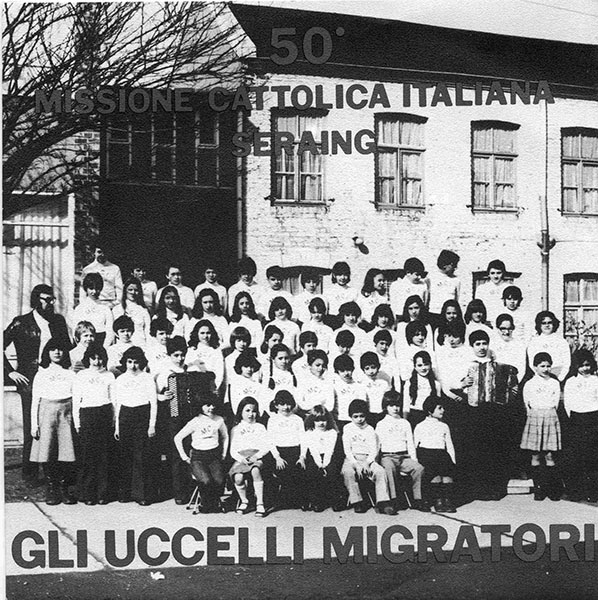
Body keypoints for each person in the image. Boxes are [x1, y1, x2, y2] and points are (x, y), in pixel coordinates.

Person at [4, 284, 71, 484]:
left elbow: (66, 349)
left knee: (56, 426)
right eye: (46, 299)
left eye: (52, 299)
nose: (50, 303)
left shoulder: (58, 321)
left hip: (53, 378)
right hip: (30, 381)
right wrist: (10, 371)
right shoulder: (21, 322)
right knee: (32, 427)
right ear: (36, 300)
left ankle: (56, 473)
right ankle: (30, 473)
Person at [460, 330, 519, 501]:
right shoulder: (467, 364)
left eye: (484, 343)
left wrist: (509, 394)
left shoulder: (498, 365)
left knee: (493, 449)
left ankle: (494, 488)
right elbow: (456, 385)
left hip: (494, 411)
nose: (481, 347)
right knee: (476, 450)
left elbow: (512, 385)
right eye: (477, 344)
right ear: (472, 346)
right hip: (474, 410)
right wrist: (462, 384)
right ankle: (477, 489)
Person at [30, 338, 77, 505]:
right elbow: (35, 400)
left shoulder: (70, 374)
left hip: (66, 413)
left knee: (66, 451)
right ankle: (51, 488)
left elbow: (76, 398)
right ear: (47, 352)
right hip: (47, 414)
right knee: (47, 451)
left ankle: (64, 488)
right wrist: (34, 424)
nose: (57, 352)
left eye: (60, 349)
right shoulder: (41, 374)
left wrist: (76, 421)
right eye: (53, 349)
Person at [113, 347, 158, 506]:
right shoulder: (120, 380)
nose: (133, 366)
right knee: (125, 455)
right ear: (125, 362)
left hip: (142, 415)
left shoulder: (147, 378)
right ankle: (125, 492)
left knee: (141, 456)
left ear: (142, 362)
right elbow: (117, 404)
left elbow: (153, 403)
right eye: (129, 362)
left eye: (136, 362)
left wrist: (152, 425)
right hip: (125, 416)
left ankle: (142, 494)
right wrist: (117, 427)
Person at [72, 343, 115, 505]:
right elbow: (76, 401)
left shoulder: (109, 375)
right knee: (88, 456)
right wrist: (77, 423)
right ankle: (87, 493)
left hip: (104, 414)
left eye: (100, 358)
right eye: (93, 358)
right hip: (87, 415)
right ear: (88, 359)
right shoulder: (81, 375)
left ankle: (103, 493)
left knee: (104, 455)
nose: (97, 362)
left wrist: (114, 421)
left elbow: (114, 400)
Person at [174, 394, 229, 513]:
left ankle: (214, 502)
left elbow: (225, 436)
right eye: (207, 405)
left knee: (219, 480)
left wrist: (224, 454)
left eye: (213, 404)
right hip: (198, 458)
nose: (211, 407)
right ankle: (205, 504)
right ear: (200, 406)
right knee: (206, 481)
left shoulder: (219, 420)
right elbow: (177, 438)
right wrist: (184, 457)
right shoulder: (195, 421)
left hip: (214, 456)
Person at [376, 390, 428, 512]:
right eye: (391, 405)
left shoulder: (405, 423)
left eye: (397, 405)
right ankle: (393, 500)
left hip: (404, 457)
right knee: (389, 469)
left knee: (419, 468)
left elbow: (410, 443)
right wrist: (376, 461)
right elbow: (377, 445)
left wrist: (414, 459)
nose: (395, 408)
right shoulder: (381, 424)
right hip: (388, 456)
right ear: (385, 407)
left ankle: (417, 499)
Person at [520, 352, 562, 501]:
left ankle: (551, 489)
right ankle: (539, 488)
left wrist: (548, 413)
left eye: (548, 366)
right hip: (535, 417)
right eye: (542, 366)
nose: (545, 369)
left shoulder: (554, 383)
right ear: (535, 367)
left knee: (550, 455)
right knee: (535, 454)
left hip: (550, 415)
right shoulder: (530, 384)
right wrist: (535, 415)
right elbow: (527, 404)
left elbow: (556, 403)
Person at [341, 399, 393, 514]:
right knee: (348, 472)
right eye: (355, 416)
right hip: (352, 458)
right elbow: (347, 450)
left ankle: (383, 502)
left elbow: (374, 450)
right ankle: (357, 501)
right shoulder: (347, 428)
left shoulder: (370, 429)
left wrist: (367, 463)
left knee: (380, 471)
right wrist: (355, 464)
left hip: (367, 459)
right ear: (350, 416)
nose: (359, 419)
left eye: (362, 416)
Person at [563, 349, 598, 503]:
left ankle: (592, 491)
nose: (585, 368)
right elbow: (568, 402)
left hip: (593, 419)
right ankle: (575, 491)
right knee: (576, 457)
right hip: (577, 420)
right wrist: (574, 418)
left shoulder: (596, 380)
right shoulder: (571, 382)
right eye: (581, 365)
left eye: (587, 365)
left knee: (592, 457)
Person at [414, 396, 457, 512]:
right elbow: (415, 444)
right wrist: (415, 459)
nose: (443, 410)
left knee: (447, 472)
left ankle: (447, 500)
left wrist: (452, 460)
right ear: (430, 411)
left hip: (441, 453)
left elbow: (449, 444)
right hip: (426, 453)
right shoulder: (420, 426)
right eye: (439, 408)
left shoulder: (444, 426)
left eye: (443, 408)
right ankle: (438, 501)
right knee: (435, 473)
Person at [229, 397, 270, 517]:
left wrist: (257, 456)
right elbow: (232, 450)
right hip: (241, 458)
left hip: (256, 457)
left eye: (254, 411)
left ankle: (260, 503)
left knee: (255, 470)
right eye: (247, 411)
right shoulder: (236, 429)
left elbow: (266, 446)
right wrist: (241, 459)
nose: (251, 414)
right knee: (238, 478)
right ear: (240, 412)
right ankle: (245, 501)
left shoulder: (260, 427)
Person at [300, 405, 345, 512]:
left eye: (323, 420)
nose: (321, 423)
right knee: (312, 471)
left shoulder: (332, 433)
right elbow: (313, 450)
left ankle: (335, 500)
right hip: (314, 456)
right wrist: (319, 464)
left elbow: (330, 450)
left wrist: (325, 464)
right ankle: (317, 501)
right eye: (317, 420)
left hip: (328, 456)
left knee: (332, 471)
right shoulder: (309, 433)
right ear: (313, 421)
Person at [267, 389, 305, 510]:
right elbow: (270, 440)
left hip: (295, 450)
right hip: (279, 452)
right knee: (280, 470)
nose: (286, 407)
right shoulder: (273, 419)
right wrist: (277, 457)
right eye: (282, 404)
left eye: (288, 404)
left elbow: (303, 439)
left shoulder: (298, 419)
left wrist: (302, 457)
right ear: (276, 405)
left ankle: (296, 500)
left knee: (296, 470)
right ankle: (277, 501)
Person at [526, 311, 571, 382]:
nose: (547, 325)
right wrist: (541, 377)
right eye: (544, 323)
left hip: (558, 377)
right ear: (539, 325)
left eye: (549, 323)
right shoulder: (534, 342)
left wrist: (559, 379)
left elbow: (567, 363)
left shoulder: (561, 341)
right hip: (540, 377)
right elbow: (532, 363)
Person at [72, 272, 113, 346]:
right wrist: (81, 347)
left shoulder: (105, 309)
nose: (94, 291)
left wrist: (104, 348)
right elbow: (75, 331)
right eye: (91, 288)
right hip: (84, 344)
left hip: (101, 344)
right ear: (86, 288)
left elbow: (110, 332)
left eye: (97, 288)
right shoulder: (80, 308)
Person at [403, 350, 442, 430]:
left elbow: (438, 406)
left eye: (426, 364)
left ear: (430, 365)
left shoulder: (436, 384)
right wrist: (405, 423)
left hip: (430, 418)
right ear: (415, 367)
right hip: (414, 416)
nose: (423, 368)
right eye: (419, 365)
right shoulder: (409, 383)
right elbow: (406, 405)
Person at [185, 320, 224, 392]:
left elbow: (219, 373)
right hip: (193, 386)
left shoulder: (216, 351)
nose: (205, 336)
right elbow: (187, 368)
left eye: (208, 333)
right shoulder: (191, 350)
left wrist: (214, 389)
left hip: (210, 386)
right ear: (197, 334)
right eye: (202, 333)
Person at [112, 278, 151, 348]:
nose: (133, 292)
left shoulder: (143, 311)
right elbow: (113, 333)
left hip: (140, 345)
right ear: (125, 290)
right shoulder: (117, 309)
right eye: (130, 289)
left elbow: (148, 332)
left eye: (136, 290)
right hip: (122, 346)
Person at [427, 249, 462, 325]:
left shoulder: (456, 280)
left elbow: (457, 299)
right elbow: (427, 297)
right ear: (446, 264)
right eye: (453, 265)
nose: (455, 268)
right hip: (434, 314)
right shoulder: (431, 277)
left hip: (449, 316)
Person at [296, 349, 335, 415]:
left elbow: (330, 405)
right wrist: (313, 408)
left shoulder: (328, 381)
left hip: (324, 414)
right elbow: (300, 401)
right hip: (307, 414)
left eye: (323, 366)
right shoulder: (303, 380)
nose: (320, 368)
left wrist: (319, 410)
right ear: (310, 365)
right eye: (317, 365)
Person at [357, 351, 392, 424]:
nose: (371, 371)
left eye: (373, 367)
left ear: (378, 366)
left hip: (383, 413)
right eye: (367, 368)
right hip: (369, 414)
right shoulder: (362, 383)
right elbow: (362, 400)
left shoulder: (384, 381)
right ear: (363, 370)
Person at [332, 354, 366, 428]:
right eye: (342, 371)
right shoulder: (334, 386)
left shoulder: (359, 386)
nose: (346, 373)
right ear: (337, 372)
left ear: (352, 369)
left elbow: (363, 405)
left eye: (348, 370)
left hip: (355, 421)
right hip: (339, 420)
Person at [491, 314, 527, 382]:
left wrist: (513, 383)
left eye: (510, 328)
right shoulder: (491, 344)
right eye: (503, 329)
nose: (507, 332)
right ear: (497, 328)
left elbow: (521, 369)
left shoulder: (519, 345)